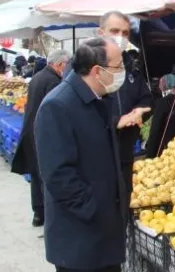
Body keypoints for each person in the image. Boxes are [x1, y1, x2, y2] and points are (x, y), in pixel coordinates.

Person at [35, 37, 138, 272]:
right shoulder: (58, 106)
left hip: (103, 234)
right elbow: (58, 176)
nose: (123, 71)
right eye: (118, 66)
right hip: (80, 240)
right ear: (96, 71)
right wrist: (95, 211)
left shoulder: (97, 100)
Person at [64, 11, 152, 204]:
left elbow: (145, 98)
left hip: (124, 153)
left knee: (122, 206)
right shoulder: (82, 68)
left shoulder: (131, 67)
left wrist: (139, 112)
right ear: (101, 32)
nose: (120, 37)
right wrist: (114, 122)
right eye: (114, 31)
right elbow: (75, 113)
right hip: (95, 159)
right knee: (101, 209)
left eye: (125, 33)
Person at [10, 49, 71, 227]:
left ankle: (38, 214)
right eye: (66, 65)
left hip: (31, 128)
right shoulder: (54, 81)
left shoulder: (38, 77)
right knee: (47, 174)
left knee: (36, 175)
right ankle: (50, 214)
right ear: (60, 64)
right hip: (43, 133)